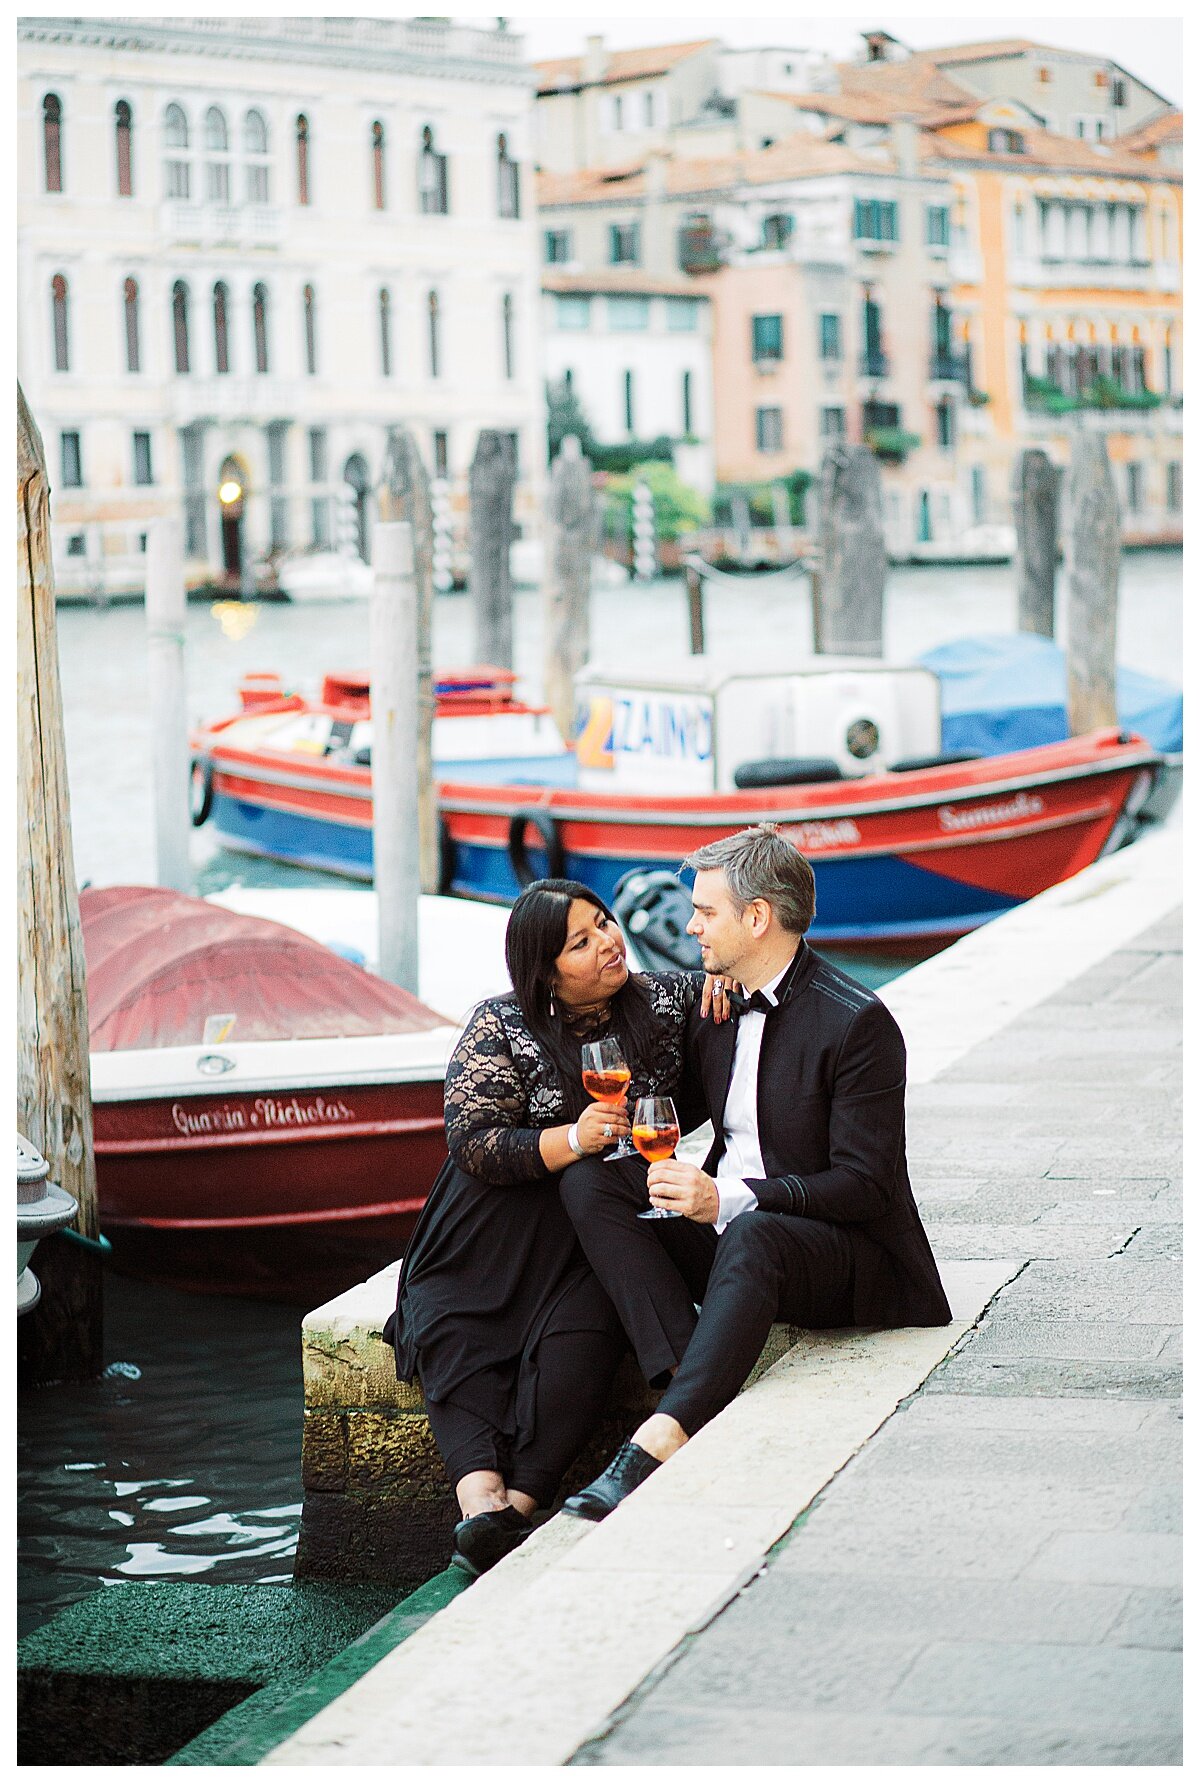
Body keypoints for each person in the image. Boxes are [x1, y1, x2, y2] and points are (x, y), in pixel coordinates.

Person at [558, 824, 953, 1521]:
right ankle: (690, 1370)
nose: (689, 925)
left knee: (754, 1232)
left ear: (757, 917)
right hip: (742, 1245)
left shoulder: (859, 1023)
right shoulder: (716, 1003)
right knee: (593, 1181)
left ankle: (660, 1439)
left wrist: (727, 1197)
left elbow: (865, 1185)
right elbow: (638, 1052)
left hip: (845, 1257)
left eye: (706, 912)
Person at [381, 878, 719, 1577]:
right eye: (581, 941)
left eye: (604, 923)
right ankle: (479, 1503)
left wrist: (723, 981)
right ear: (546, 972)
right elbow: (471, 1140)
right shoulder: (500, 1024)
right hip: (488, 1229)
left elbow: (742, 980)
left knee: (584, 1339)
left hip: (589, 1228)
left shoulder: (661, 1000)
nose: (608, 943)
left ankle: (519, 1506)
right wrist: (571, 1136)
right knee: (454, 1331)